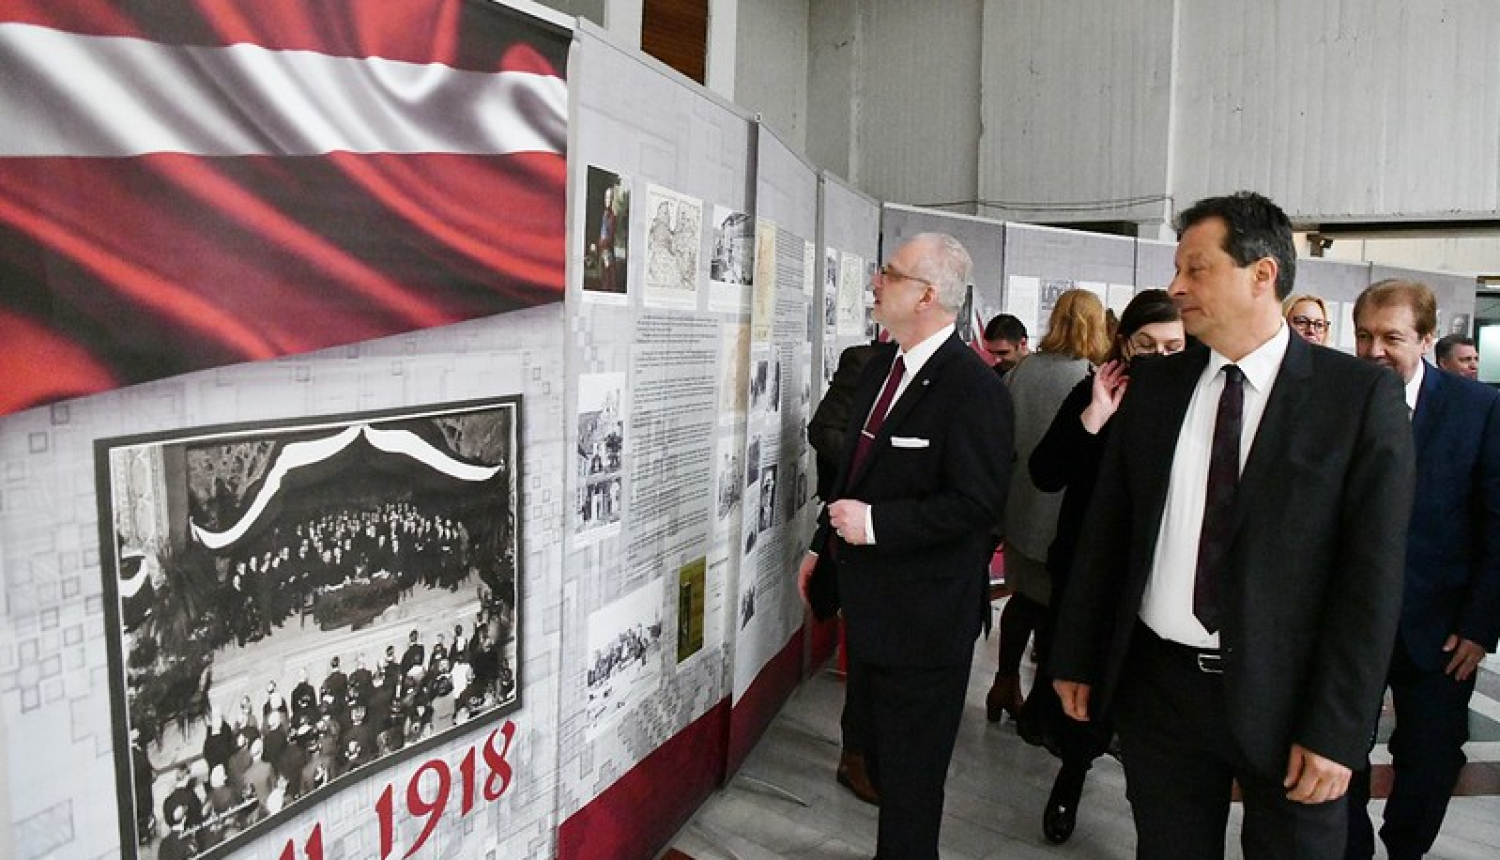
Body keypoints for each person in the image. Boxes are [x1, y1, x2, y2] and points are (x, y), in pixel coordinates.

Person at [1051, 191, 1414, 859]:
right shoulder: (1156, 386)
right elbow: (1108, 533)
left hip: (1289, 698)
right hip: (1160, 691)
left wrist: (1338, 730)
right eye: (1177, 270)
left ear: (1262, 273)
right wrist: (1075, 653)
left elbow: (1372, 578)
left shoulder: (1356, 398)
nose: (1175, 286)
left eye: (1196, 269)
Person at [797, 232, 1013, 859]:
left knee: (913, 789)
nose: (874, 282)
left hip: (927, 623)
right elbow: (853, 475)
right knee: (881, 763)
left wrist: (880, 526)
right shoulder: (880, 368)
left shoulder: (975, 389)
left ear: (925, 295)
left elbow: (977, 506)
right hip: (870, 609)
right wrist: (822, 544)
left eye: (888, 273)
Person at [1346, 279, 1500, 860]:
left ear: (1427, 338)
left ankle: (1404, 847)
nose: (1375, 350)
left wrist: (1481, 624)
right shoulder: (1338, 402)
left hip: (1440, 629)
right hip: (1349, 621)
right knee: (1337, 751)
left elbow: (1497, 523)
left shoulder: (1478, 410)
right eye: (1365, 336)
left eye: (1391, 337)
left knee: (1433, 756)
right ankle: (1350, 850)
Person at [1027, 289, 1185, 844]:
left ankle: (1148, 805)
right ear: (1125, 344)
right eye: (1147, 345)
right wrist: (1093, 418)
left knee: (1147, 699)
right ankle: (1071, 776)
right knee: (1082, 694)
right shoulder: (1096, 390)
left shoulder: (1199, 402)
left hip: (1163, 579)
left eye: (1174, 346)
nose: (1161, 357)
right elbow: (1046, 472)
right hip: (1091, 571)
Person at [985, 289, 1108, 726]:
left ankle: (1003, 681)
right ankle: (1040, 707)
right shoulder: (1096, 379)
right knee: (1055, 613)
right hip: (1064, 517)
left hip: (1021, 508)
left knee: (1021, 601)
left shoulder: (1023, 371)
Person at [805, 337, 888, 805]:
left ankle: (876, 750)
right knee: (866, 648)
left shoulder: (945, 372)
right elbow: (823, 430)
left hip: (903, 535)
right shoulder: (865, 361)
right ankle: (854, 755)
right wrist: (877, 464)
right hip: (855, 528)